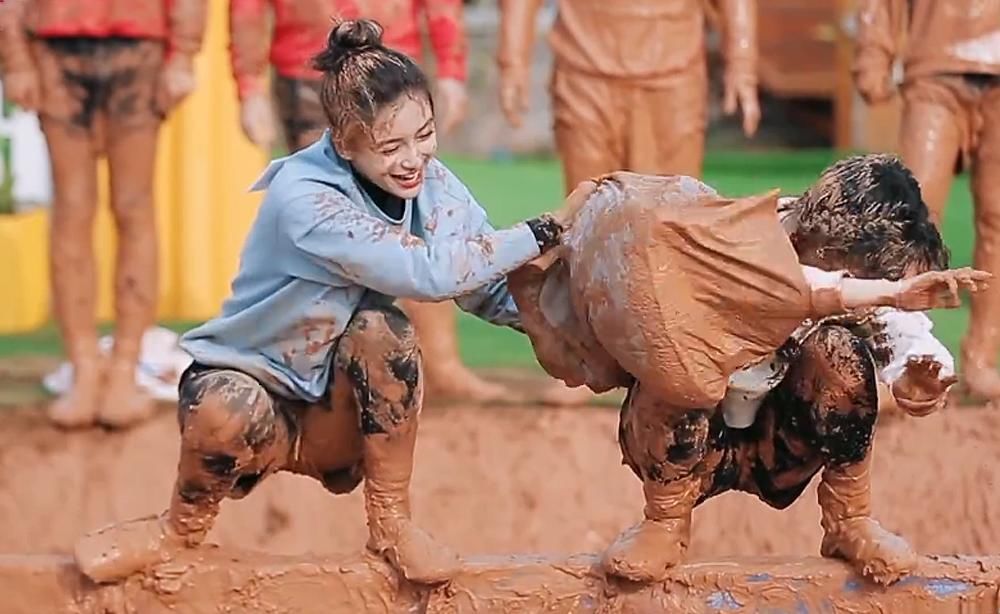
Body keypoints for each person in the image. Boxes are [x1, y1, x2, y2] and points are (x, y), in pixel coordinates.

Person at [71, 18, 587, 585]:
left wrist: (579, 331)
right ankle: (179, 529)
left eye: (425, 135)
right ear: (344, 142)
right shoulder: (304, 195)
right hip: (255, 394)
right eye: (390, 146)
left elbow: (481, 285)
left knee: (382, 331)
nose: (414, 159)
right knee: (224, 406)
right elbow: (428, 271)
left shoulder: (431, 184)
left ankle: (392, 525)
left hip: (333, 412)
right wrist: (544, 230)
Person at [589, 155, 982, 585]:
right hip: (691, 439)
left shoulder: (864, 279)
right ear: (833, 252)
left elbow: (901, 327)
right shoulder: (733, 239)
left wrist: (917, 372)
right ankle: (664, 521)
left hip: (779, 443)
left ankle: (848, 519)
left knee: (840, 353)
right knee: (677, 363)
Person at [227, 0, 505, 404]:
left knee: (417, 216)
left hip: (394, 71)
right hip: (308, 75)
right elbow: (249, 6)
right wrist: (249, 84)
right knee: (330, 231)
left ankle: (441, 363)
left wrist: (451, 69)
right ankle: (328, 371)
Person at [497, 0, 760, 405]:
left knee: (675, 225)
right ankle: (582, 358)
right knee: (584, 221)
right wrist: (512, 62)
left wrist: (741, 59)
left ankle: (680, 358)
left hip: (671, 70)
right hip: (585, 67)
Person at [0, 0, 207, 428]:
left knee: (133, 206)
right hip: (55, 46)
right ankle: (84, 365)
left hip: (139, 44)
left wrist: (184, 53)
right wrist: (15, 57)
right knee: (72, 208)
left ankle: (125, 366)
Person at [855, 0, 1000, 401]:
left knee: (998, 218)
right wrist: (873, 53)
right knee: (913, 215)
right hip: (935, 71)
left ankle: (982, 359)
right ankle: (904, 357)